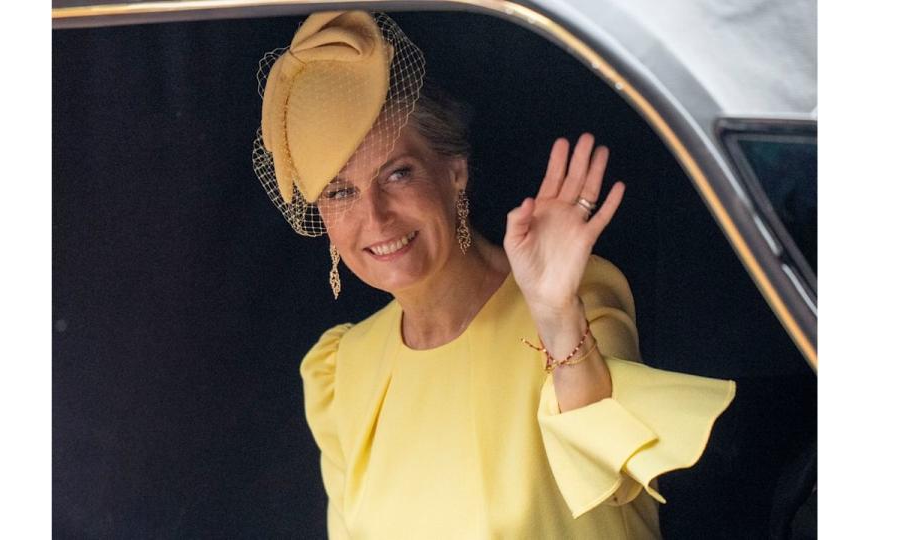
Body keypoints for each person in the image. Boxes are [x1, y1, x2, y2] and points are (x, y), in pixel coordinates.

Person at [253, 11, 735, 538]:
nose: (375, 216)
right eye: (341, 191)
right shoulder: (339, 371)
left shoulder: (575, 299)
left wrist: (554, 312)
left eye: (397, 173)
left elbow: (614, 471)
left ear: (454, 171)